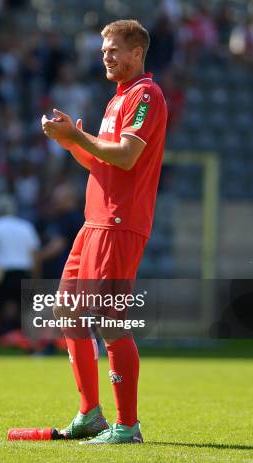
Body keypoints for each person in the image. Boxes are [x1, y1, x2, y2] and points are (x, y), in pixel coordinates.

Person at [41, 20, 167, 444]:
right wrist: (72, 143)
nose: (106, 57)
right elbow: (103, 162)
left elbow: (128, 157)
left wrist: (80, 135)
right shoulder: (116, 102)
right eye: (103, 52)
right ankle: (90, 414)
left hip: (119, 221)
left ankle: (127, 426)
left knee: (110, 319)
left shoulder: (145, 95)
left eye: (114, 50)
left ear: (137, 52)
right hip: (94, 221)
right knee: (66, 311)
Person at [0, 195, 40, 351]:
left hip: (1, 273)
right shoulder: (26, 226)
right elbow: (35, 256)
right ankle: (35, 349)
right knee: (28, 313)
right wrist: (34, 279)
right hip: (22, 272)